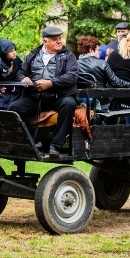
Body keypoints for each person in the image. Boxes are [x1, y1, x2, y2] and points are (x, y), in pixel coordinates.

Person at [8, 25, 79, 158]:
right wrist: (24, 78)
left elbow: (72, 76)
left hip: (58, 96)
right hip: (36, 96)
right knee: (14, 108)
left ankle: (55, 146)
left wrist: (51, 83)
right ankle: (34, 143)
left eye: (60, 38)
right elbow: (20, 72)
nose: (59, 41)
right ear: (45, 41)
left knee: (69, 103)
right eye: (55, 39)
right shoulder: (34, 54)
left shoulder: (68, 56)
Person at [76, 35, 130, 112]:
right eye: (97, 49)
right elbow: (116, 82)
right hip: (101, 100)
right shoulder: (102, 64)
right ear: (91, 50)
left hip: (81, 101)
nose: (99, 52)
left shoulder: (75, 64)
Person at [0, 39, 23, 110]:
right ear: (4, 53)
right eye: (11, 51)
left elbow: (23, 70)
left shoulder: (17, 60)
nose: (14, 52)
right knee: (2, 111)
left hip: (16, 93)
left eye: (14, 50)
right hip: (2, 95)